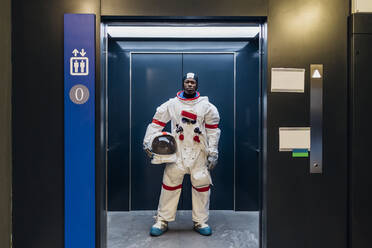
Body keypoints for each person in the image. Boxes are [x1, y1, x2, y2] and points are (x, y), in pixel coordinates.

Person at [143, 72, 221, 237]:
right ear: (183, 84)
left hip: (199, 152)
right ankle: (162, 219)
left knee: (201, 186)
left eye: (193, 82)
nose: (190, 85)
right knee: (169, 186)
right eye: (187, 82)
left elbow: (213, 131)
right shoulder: (172, 104)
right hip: (177, 152)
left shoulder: (206, 106)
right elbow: (156, 123)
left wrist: (213, 152)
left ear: (197, 84)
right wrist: (148, 141)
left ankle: (200, 221)